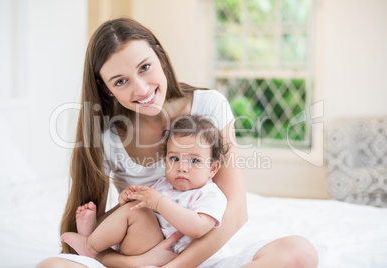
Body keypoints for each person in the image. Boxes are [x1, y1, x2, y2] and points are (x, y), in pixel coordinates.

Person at [37, 17, 319, 268]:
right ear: (105, 89)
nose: (142, 89)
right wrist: (137, 262)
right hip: (140, 257)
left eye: (145, 67)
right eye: (120, 81)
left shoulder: (209, 106)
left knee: (299, 252)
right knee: (50, 266)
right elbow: (92, 240)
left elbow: (237, 211)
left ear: (160, 56)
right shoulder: (106, 135)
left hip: (205, 254)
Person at [61, 116, 228, 264]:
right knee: (134, 209)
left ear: (213, 168)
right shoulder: (163, 184)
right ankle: (93, 237)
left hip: (172, 254)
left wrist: (159, 202)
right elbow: (140, 205)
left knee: (136, 213)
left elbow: (198, 228)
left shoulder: (211, 195)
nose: (182, 167)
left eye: (194, 161)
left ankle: (90, 246)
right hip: (148, 244)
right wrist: (129, 197)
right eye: (174, 158)